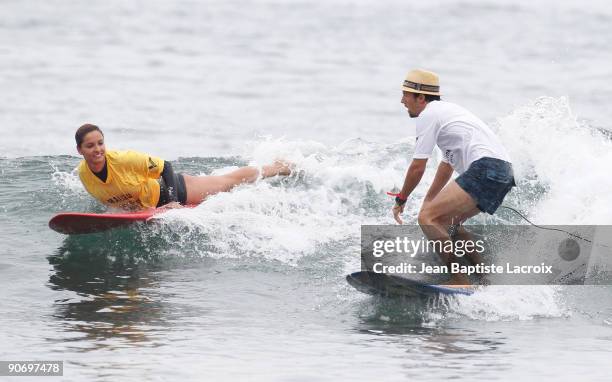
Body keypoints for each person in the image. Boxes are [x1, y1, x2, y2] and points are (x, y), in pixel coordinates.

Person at [392, 69, 515, 286]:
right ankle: (486, 277)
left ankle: (459, 279)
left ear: (421, 97)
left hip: (485, 168)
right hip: (503, 172)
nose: (402, 101)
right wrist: (429, 200)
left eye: (406, 95)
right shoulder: (447, 113)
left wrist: (402, 198)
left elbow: (417, 167)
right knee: (449, 225)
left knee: (427, 219)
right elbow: (446, 164)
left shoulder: (429, 114)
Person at [75, 124, 292, 211]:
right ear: (80, 150)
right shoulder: (85, 175)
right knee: (227, 182)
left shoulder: (124, 160)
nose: (97, 150)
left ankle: (279, 167)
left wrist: (171, 202)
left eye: (100, 143)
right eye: (90, 146)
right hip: (151, 204)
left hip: (177, 190)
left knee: (230, 182)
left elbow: (165, 167)